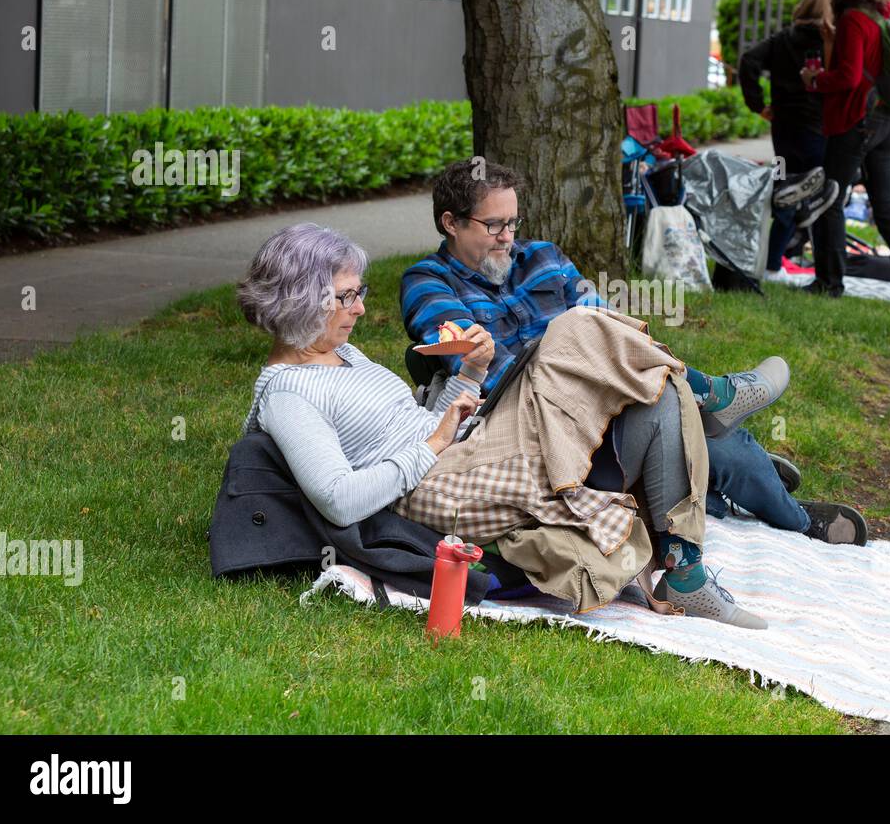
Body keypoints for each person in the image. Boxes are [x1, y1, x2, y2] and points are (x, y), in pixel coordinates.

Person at [237, 222, 767, 628]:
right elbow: (339, 498)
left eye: (359, 291)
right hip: (434, 487)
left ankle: (684, 564)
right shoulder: (288, 393)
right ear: (300, 300)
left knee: (642, 383)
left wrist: (471, 372)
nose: (361, 306)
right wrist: (435, 442)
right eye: (346, 296)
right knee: (573, 330)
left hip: (459, 453)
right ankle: (713, 397)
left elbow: (424, 422)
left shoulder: (343, 354)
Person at [400, 160, 870, 546]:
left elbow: (612, 326)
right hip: (534, 421)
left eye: (513, 222)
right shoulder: (428, 282)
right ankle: (713, 400)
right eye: (494, 224)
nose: (508, 236)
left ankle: (794, 518)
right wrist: (580, 343)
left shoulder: (542, 255)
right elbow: (486, 368)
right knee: (589, 336)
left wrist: (609, 356)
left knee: (705, 434)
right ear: (451, 223)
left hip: (610, 392)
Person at [799, 0, 890, 310]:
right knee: (885, 207)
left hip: (857, 120)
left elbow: (850, 76)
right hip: (888, 119)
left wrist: (815, 79)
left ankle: (830, 282)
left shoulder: (854, 19)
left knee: (831, 198)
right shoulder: (884, 15)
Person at [738, 0, 839, 283]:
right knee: (821, 196)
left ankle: (771, 265)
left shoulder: (782, 40)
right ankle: (821, 269)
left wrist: (758, 105)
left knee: (785, 191)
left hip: (783, 128)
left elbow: (748, 61)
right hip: (816, 127)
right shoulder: (830, 42)